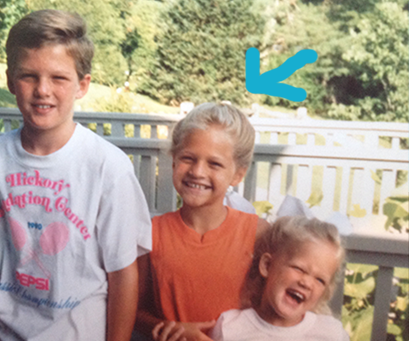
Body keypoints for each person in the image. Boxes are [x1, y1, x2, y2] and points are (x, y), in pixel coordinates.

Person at [0, 9, 152, 341]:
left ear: (82, 85)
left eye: (58, 78)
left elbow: (124, 275)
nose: (43, 90)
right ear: (10, 80)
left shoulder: (108, 167)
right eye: (29, 76)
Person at [135, 102, 270, 341]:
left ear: (238, 174)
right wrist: (173, 329)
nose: (197, 171)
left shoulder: (258, 234)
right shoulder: (151, 233)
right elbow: (134, 310)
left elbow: (275, 312)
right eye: (188, 158)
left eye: (214, 164)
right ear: (174, 160)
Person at [210, 216, 349, 341]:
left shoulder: (331, 334)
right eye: (299, 268)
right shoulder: (230, 328)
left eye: (320, 280)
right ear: (267, 265)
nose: (306, 283)